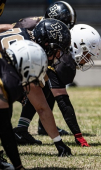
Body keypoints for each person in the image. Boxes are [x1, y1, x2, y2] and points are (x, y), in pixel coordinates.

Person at [0, 19, 72, 157]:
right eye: (57, 50)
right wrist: (59, 143)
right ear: (47, 44)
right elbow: (41, 107)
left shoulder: (22, 31)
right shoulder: (29, 52)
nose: (58, 56)